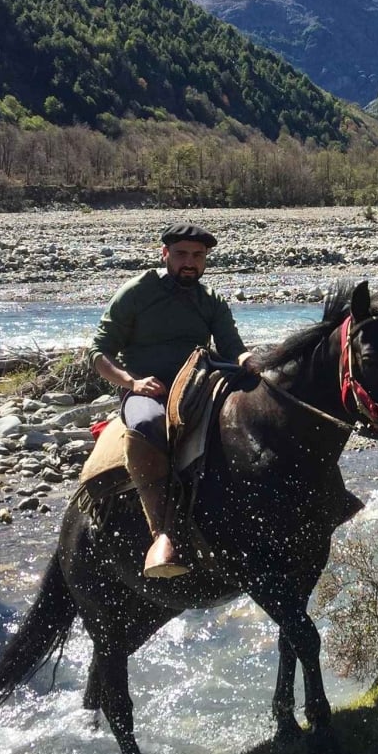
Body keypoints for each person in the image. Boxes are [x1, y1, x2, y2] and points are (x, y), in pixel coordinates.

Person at [89, 222, 260, 578]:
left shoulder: (210, 300)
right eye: (181, 254)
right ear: (165, 254)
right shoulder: (137, 293)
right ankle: (162, 532)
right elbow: (99, 352)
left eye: (198, 256)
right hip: (149, 390)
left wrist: (254, 364)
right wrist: (131, 382)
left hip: (199, 383)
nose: (190, 262)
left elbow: (233, 349)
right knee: (148, 424)